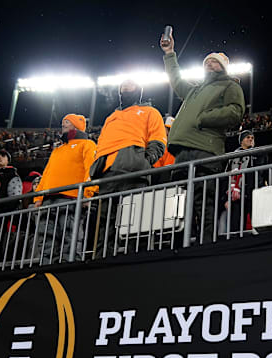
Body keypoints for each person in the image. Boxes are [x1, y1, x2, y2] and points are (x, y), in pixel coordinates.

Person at [160, 30, 245, 241]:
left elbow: (235, 112)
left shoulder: (230, 85)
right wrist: (170, 53)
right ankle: (180, 245)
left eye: (214, 62)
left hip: (205, 149)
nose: (209, 64)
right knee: (180, 202)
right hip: (183, 151)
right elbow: (176, 79)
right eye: (207, 61)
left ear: (223, 67)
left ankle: (206, 243)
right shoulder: (194, 90)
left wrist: (204, 118)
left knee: (203, 199)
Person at [89, 79, 167, 257]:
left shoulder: (150, 112)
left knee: (135, 221)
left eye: (130, 85)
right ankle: (101, 259)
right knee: (105, 222)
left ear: (138, 90)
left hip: (134, 173)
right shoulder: (111, 117)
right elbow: (101, 144)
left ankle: (136, 260)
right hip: (107, 173)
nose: (125, 87)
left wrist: (143, 161)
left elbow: (158, 140)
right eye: (122, 86)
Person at [34, 114, 96, 265]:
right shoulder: (57, 150)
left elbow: (91, 170)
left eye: (67, 122)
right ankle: (45, 272)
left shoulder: (87, 144)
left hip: (71, 198)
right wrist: (38, 198)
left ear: (77, 125)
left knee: (70, 237)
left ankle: (69, 271)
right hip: (48, 199)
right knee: (46, 238)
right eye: (63, 122)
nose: (63, 124)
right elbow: (46, 174)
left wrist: (87, 194)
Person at [218, 130, 266, 236]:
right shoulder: (232, 157)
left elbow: (264, 173)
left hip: (253, 194)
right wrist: (225, 199)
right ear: (241, 141)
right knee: (236, 227)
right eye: (247, 137)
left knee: (257, 224)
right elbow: (225, 178)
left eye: (252, 137)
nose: (250, 139)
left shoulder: (259, 154)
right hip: (236, 198)